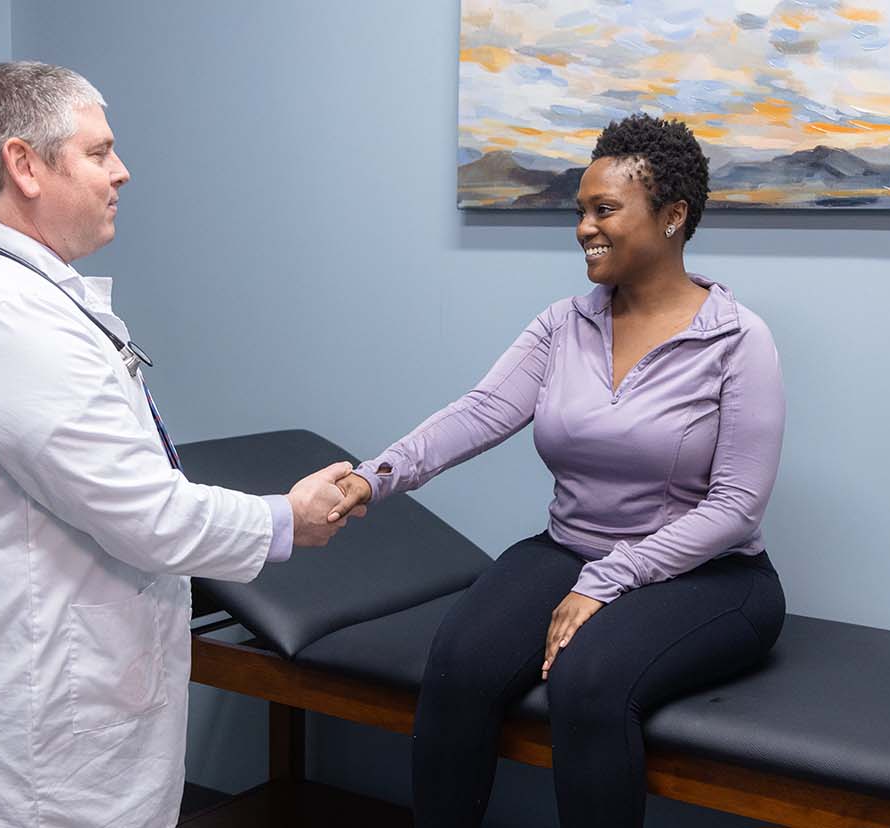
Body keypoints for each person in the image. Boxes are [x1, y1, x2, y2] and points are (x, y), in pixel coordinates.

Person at [0, 62, 357, 828]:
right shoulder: (10, 320)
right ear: (23, 165)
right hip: (47, 713)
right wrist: (288, 519)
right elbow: (149, 516)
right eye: (98, 152)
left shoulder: (17, 287)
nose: (122, 171)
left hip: (72, 673)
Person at [327, 114, 786, 827]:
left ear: (672, 216)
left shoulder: (735, 340)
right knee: (457, 663)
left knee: (588, 681)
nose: (583, 228)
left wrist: (607, 580)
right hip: (572, 548)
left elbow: (734, 509)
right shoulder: (561, 325)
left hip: (709, 576)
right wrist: (371, 476)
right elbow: (477, 413)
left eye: (604, 210)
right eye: (580, 211)